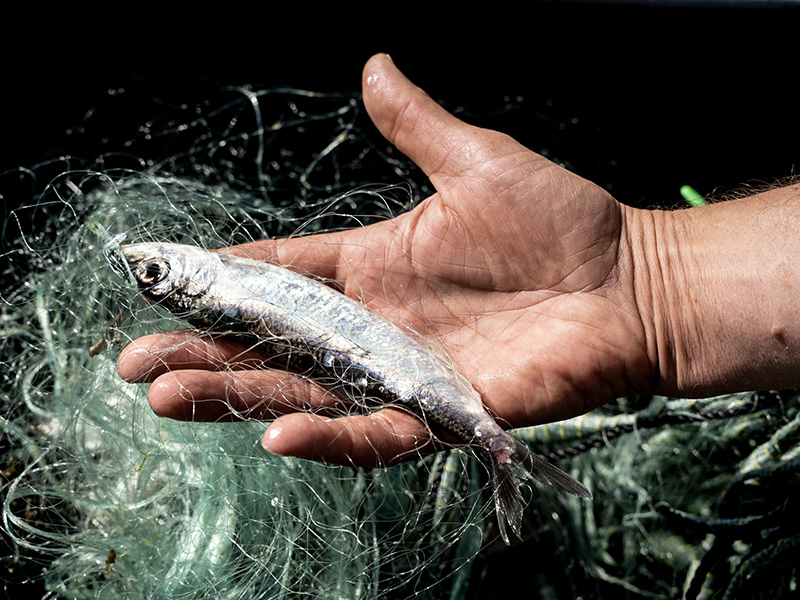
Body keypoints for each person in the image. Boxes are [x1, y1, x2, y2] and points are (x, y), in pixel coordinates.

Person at [117, 54, 800, 467]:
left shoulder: (232, 282)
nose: (155, 261)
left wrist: (646, 281)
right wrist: (650, 284)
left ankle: (495, 448)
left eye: (154, 269)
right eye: (157, 274)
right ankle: (498, 449)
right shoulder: (229, 285)